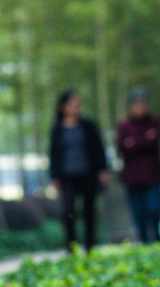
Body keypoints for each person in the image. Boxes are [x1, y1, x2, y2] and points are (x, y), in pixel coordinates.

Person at [48, 90, 110, 253]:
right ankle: (71, 247)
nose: (76, 106)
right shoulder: (57, 129)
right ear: (63, 107)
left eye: (77, 102)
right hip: (67, 175)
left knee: (89, 210)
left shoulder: (88, 125)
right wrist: (54, 176)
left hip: (87, 173)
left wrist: (103, 169)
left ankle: (90, 246)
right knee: (68, 211)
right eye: (72, 103)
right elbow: (53, 153)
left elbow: (98, 148)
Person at [116, 87, 160, 244]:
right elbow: (122, 147)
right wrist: (143, 140)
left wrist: (133, 143)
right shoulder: (124, 125)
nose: (139, 108)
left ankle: (157, 237)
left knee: (154, 208)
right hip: (133, 176)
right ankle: (144, 241)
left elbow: (151, 142)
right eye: (136, 104)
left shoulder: (155, 121)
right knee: (138, 213)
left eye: (142, 104)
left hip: (152, 174)